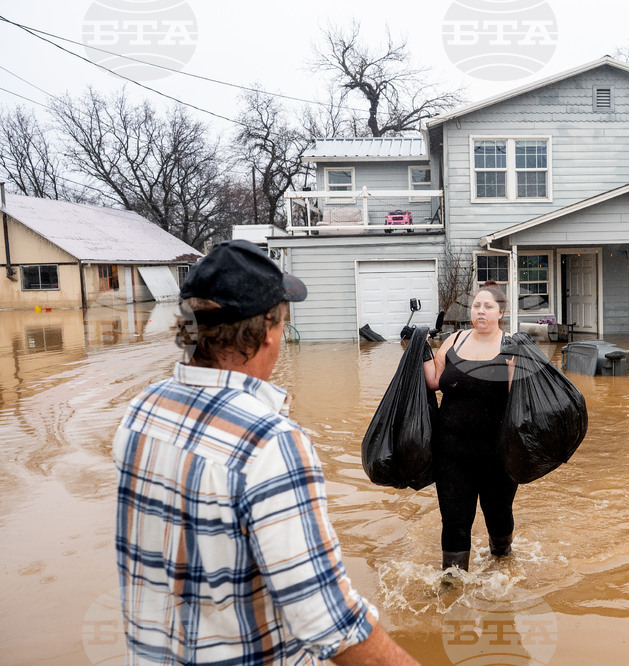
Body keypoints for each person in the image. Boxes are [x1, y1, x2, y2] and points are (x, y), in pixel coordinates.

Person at [113, 239, 418, 665]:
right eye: (282, 321)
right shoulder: (269, 444)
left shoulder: (143, 411)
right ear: (268, 332)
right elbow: (328, 622)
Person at [423, 281, 517, 572]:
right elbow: (434, 382)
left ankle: (502, 565)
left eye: (488, 306)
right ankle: (452, 583)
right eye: (477, 305)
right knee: (454, 519)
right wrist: (419, 347)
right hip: (451, 451)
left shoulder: (511, 346)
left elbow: (521, 398)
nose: (481, 311)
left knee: (498, 515)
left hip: (497, 454)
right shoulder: (454, 340)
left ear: (501, 312)